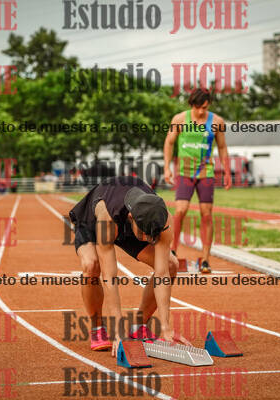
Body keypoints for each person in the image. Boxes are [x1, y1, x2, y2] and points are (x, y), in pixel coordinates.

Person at [69, 175, 191, 354]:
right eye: (144, 235)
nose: (148, 240)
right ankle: (97, 328)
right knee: (91, 265)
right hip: (93, 221)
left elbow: (162, 274)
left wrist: (165, 326)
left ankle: (139, 327)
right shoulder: (106, 219)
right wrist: (118, 330)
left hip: (133, 223)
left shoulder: (163, 219)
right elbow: (110, 277)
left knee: (171, 264)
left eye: (152, 236)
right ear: (131, 217)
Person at [163, 88, 231, 274]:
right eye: (197, 107)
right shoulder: (179, 119)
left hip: (206, 172)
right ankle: (173, 250)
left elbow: (222, 147)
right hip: (184, 171)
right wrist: (167, 167)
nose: (201, 111)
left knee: (206, 214)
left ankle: (206, 259)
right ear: (191, 104)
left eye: (204, 107)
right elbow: (169, 142)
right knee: (180, 210)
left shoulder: (216, 122)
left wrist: (226, 171)